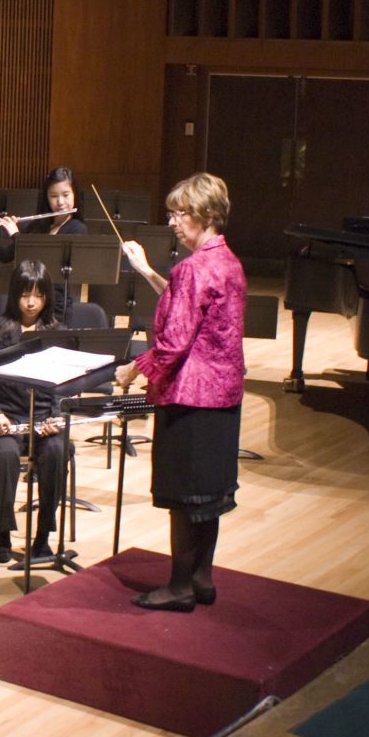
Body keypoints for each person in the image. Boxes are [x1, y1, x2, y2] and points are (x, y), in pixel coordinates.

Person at [115, 172, 247, 611]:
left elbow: (172, 345)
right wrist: (146, 270)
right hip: (224, 398)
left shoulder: (193, 269)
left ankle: (179, 587)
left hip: (191, 398)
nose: (172, 221)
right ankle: (202, 578)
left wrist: (133, 371)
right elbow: (183, 303)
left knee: (185, 499)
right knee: (208, 496)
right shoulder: (228, 260)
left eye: (180, 213)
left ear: (206, 214)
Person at [0, 259, 71, 563]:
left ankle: (42, 536)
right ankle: (3, 532)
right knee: (6, 455)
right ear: (14, 295)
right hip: (5, 417)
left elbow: (62, 385)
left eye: (39, 296)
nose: (31, 302)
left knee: (57, 451)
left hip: (43, 419)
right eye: (25, 294)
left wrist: (56, 415)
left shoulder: (56, 331)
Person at [0, 166, 90, 263]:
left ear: (74, 195)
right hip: (31, 287)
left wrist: (16, 235)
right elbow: (6, 256)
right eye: (54, 196)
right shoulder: (39, 226)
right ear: (46, 198)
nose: (60, 202)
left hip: (56, 288)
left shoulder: (78, 229)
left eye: (66, 195)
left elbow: (45, 259)